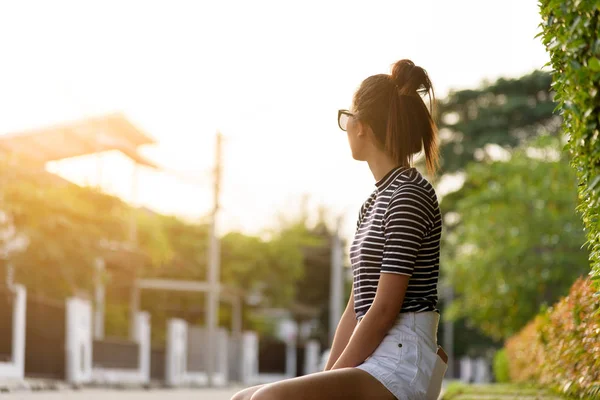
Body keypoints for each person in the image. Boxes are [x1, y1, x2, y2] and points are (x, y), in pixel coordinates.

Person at [231, 59, 447, 400]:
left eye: (346, 119)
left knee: (266, 399)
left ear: (360, 125)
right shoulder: (374, 202)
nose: (346, 127)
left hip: (402, 359)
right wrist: (327, 376)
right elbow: (355, 308)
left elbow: (383, 310)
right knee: (243, 397)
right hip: (376, 353)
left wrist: (331, 381)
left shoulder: (409, 194)